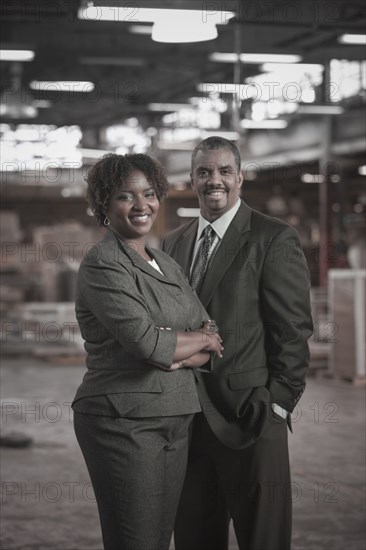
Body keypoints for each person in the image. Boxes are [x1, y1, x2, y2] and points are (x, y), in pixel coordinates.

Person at [162, 136, 313, 550]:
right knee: (194, 539)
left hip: (252, 419)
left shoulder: (273, 238)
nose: (215, 180)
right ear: (192, 179)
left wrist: (278, 404)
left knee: (262, 540)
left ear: (240, 178)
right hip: (188, 421)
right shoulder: (173, 243)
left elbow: (293, 330)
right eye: (205, 172)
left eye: (225, 171)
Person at [72, 153, 223, 550]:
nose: (142, 206)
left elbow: (209, 334)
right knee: (135, 541)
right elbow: (147, 344)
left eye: (150, 194)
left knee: (158, 539)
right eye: (126, 196)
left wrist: (191, 342)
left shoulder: (166, 263)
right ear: (104, 204)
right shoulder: (103, 264)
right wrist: (194, 340)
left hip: (176, 413)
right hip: (123, 420)